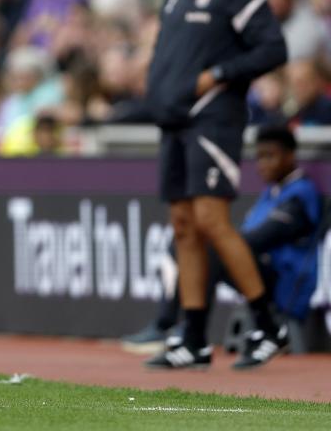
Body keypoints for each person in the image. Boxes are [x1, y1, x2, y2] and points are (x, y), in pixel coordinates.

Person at [144, 0, 289, 369]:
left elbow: (273, 48)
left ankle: (268, 322)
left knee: (212, 221)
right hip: (175, 122)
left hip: (213, 121)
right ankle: (193, 336)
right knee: (184, 226)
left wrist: (219, 74)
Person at [124, 125, 324, 367]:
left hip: (286, 281)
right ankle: (176, 327)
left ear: (290, 156)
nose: (262, 164)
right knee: (186, 243)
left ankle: (186, 331)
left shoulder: (301, 194)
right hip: (260, 272)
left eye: (270, 156)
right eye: (259, 157)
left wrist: (226, 242)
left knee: (212, 250)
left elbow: (258, 239)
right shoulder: (271, 192)